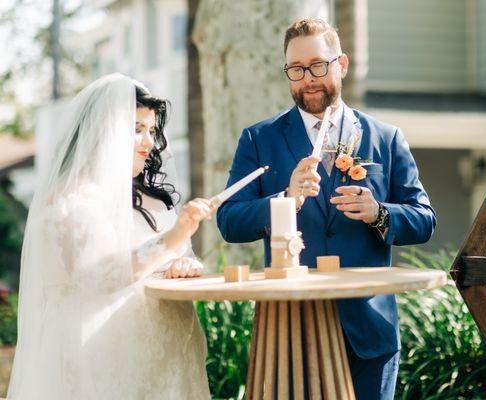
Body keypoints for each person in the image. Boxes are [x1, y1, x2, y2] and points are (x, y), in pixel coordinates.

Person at [217, 19, 436, 399]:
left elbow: (424, 219)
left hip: (369, 333)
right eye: (296, 70)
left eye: (318, 65)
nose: (308, 79)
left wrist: (379, 213)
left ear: (342, 65)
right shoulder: (258, 138)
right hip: (292, 331)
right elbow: (229, 221)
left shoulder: (385, 137)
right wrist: (284, 199)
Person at [7, 74, 213, 399]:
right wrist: (173, 239)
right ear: (103, 131)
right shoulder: (71, 202)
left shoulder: (149, 199)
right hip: (100, 358)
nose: (149, 142)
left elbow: (169, 256)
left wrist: (183, 263)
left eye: (151, 130)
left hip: (165, 354)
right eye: (136, 130)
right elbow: (102, 275)